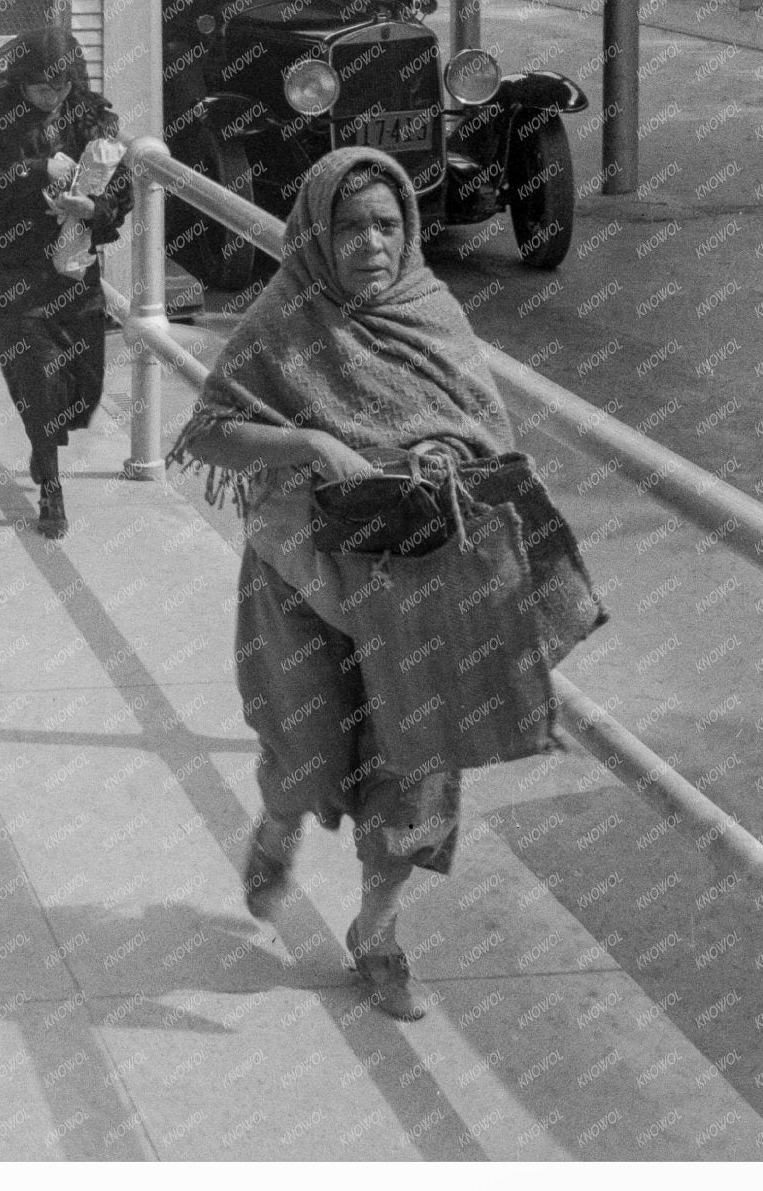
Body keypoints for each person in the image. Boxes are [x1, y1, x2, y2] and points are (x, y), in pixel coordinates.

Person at [168, 148, 516, 1022]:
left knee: (415, 773)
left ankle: (380, 932)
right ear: (318, 233)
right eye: (351, 226)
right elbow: (209, 432)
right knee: (304, 742)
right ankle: (280, 823)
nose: (371, 242)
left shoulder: (432, 315)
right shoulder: (285, 316)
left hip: (415, 583)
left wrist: (440, 459)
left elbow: (487, 440)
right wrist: (312, 446)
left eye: (388, 225)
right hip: (301, 574)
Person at [0, 29, 131, 539]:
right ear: (21, 83)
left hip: (76, 266)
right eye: (38, 89)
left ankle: (44, 444)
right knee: (37, 374)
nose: (49, 98)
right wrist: (37, 170)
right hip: (17, 264)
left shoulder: (91, 116)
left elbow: (121, 190)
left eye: (57, 90)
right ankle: (51, 488)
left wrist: (94, 208)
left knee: (84, 384)